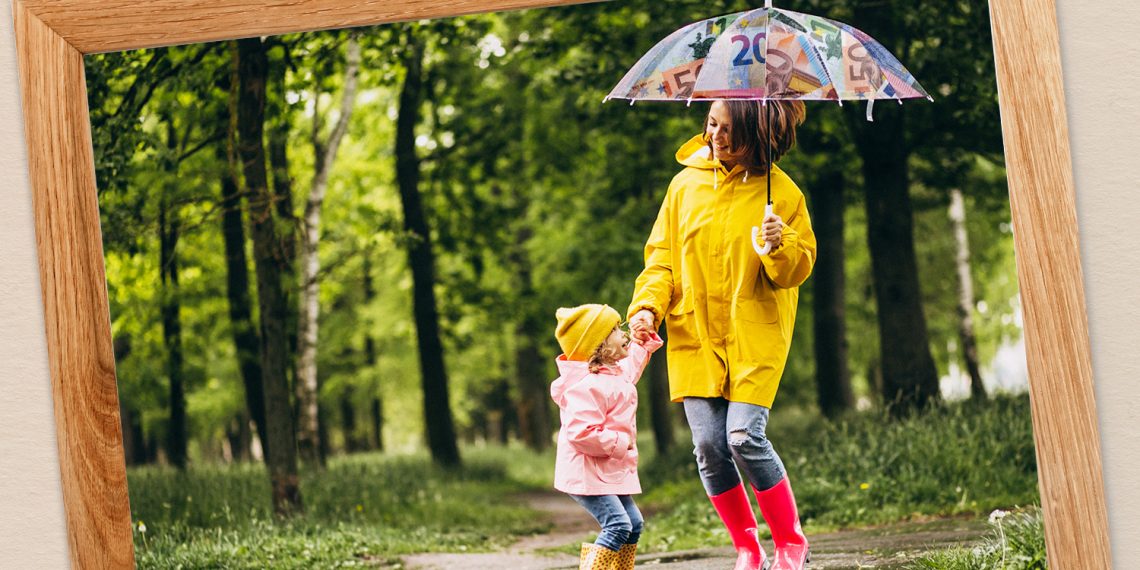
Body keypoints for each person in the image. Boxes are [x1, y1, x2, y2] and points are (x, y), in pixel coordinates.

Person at [627, 99, 816, 570]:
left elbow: (797, 270)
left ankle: (791, 542)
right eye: (712, 124)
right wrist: (648, 307)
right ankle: (747, 547)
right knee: (709, 447)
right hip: (696, 334)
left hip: (754, 334)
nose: (716, 136)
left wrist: (780, 244)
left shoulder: (783, 194)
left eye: (729, 129)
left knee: (742, 437)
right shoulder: (683, 186)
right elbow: (662, 261)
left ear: (757, 132)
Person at [551, 303, 664, 570]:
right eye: (614, 330)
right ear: (598, 346)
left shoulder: (614, 373)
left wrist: (642, 343)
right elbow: (580, 432)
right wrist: (619, 443)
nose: (623, 333)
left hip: (607, 470)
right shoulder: (586, 386)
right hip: (585, 472)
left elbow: (632, 367)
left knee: (633, 524)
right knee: (618, 525)